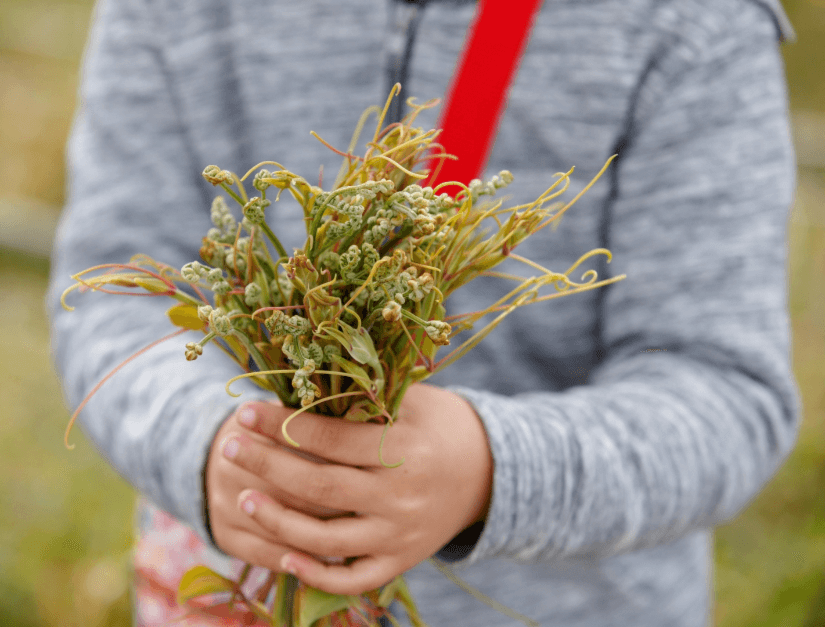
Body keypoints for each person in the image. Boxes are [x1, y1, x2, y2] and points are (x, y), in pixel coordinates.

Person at [46, 0, 801, 625]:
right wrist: (209, 442)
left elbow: (725, 389)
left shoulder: (693, 23)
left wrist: (490, 469)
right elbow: (110, 291)